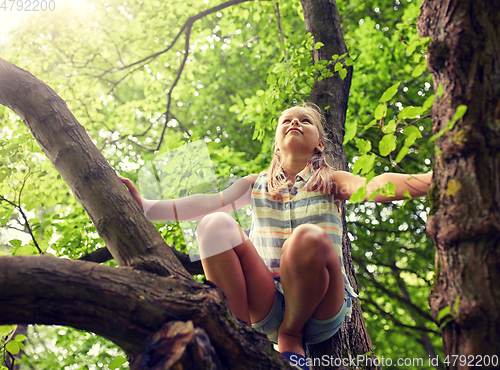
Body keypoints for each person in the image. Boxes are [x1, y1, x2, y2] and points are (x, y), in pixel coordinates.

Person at [120, 103, 432, 369]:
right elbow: (206, 203)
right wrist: (147, 208)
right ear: (276, 144)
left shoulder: (332, 181)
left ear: (319, 144)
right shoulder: (255, 184)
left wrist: (434, 178)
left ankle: (291, 336)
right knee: (213, 224)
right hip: (264, 300)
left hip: (320, 304)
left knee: (306, 237)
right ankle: (234, 333)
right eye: (287, 120)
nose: (295, 122)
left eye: (305, 121)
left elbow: (376, 186)